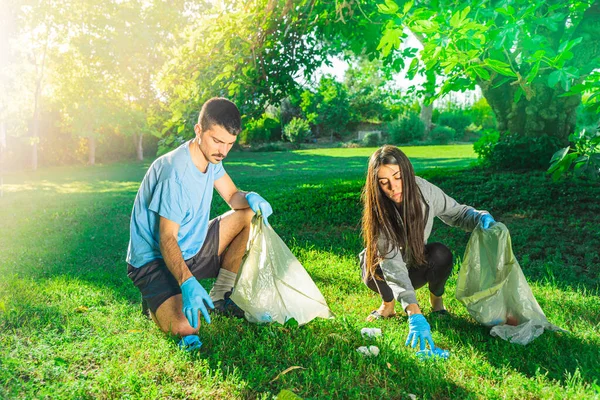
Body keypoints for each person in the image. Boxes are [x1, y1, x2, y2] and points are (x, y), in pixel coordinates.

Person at [126, 98, 273, 351]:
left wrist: (250, 197)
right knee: (187, 327)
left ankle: (220, 298)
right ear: (198, 131)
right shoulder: (175, 174)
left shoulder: (212, 158)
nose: (223, 151)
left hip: (193, 247)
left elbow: (232, 197)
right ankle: (155, 298)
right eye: (217, 141)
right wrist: (187, 281)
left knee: (247, 213)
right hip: (155, 260)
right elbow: (167, 239)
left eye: (229, 144)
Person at [360, 145, 495, 357]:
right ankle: (387, 304)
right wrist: (414, 313)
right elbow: (393, 267)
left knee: (441, 253)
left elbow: (457, 212)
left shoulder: (424, 190)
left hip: (415, 264)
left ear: (406, 171)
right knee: (373, 264)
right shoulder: (378, 210)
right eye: (384, 183)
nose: (394, 188)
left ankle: (437, 302)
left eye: (398, 177)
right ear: (376, 185)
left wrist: (480, 217)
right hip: (382, 274)